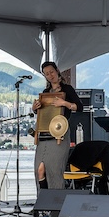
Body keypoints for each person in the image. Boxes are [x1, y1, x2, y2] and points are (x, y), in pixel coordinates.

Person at [32, 61, 83, 189]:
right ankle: (42, 202)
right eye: (47, 74)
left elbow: (80, 107)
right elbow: (43, 114)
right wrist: (35, 108)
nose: (50, 75)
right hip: (44, 135)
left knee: (54, 171)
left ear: (57, 71)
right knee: (39, 169)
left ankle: (55, 204)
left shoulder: (67, 89)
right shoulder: (45, 92)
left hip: (60, 134)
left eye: (52, 72)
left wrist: (64, 103)